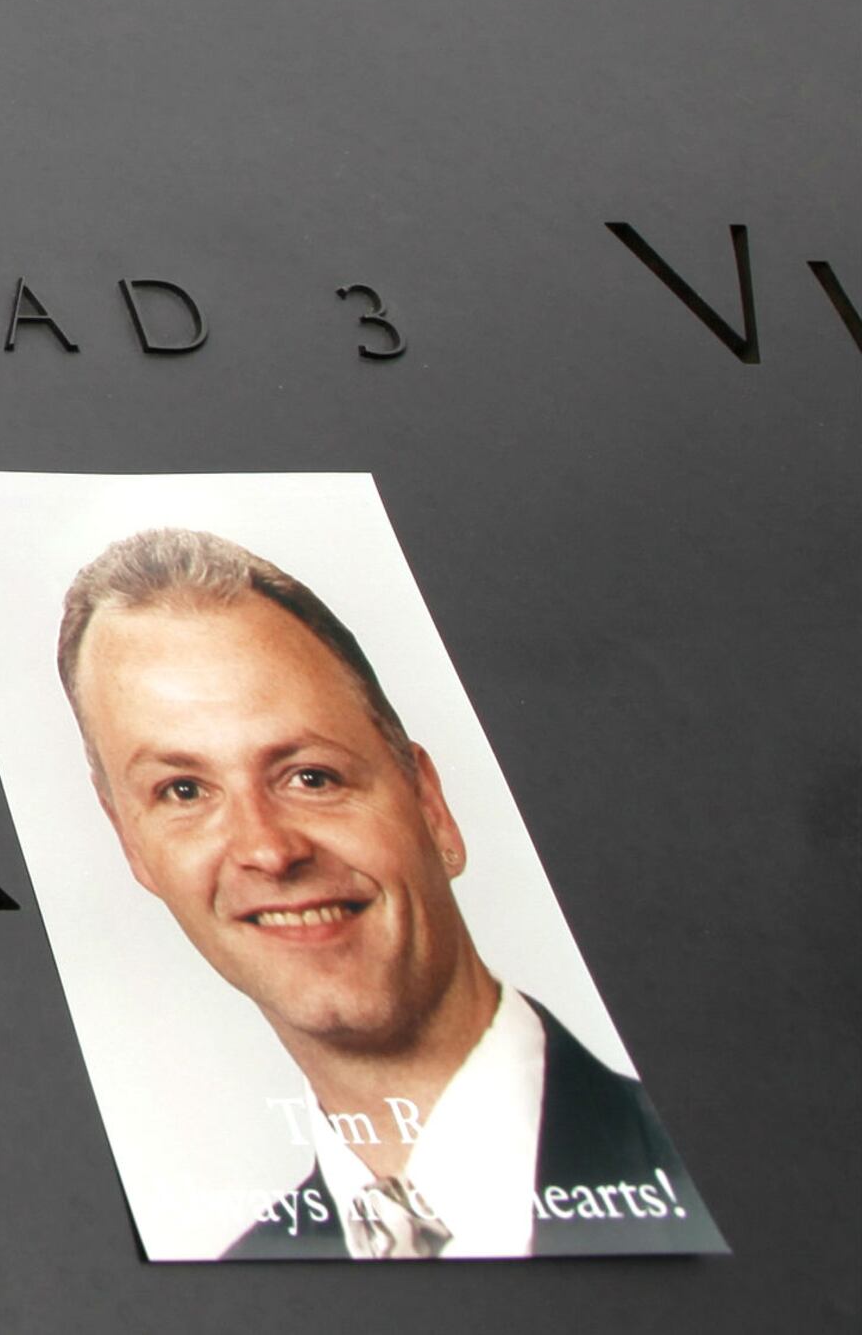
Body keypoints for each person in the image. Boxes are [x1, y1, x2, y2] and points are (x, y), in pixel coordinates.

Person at [54, 529, 719, 1260]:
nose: (269, 850)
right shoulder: (242, 1278)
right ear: (132, 844)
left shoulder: (713, 1160)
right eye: (183, 790)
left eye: (311, 775)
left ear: (430, 805)